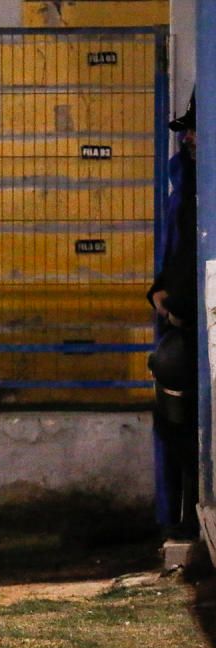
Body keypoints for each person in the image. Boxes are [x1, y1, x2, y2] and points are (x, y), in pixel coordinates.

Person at [147, 90, 198, 539]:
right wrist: (162, 292)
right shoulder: (187, 181)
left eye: (194, 129)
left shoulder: (196, 183)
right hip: (185, 313)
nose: (189, 138)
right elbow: (179, 253)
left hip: (193, 318)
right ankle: (186, 515)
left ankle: (190, 516)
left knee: (171, 368)